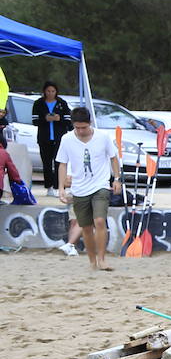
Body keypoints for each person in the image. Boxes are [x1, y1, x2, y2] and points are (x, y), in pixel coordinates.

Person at [56, 107, 122, 271]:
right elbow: (62, 164)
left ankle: (102, 259)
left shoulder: (103, 137)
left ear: (90, 123)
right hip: (79, 188)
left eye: (83, 127)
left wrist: (117, 179)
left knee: (99, 220)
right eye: (77, 127)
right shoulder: (67, 139)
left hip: (100, 185)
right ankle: (92, 260)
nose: (80, 131)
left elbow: (114, 158)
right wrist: (61, 188)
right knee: (86, 227)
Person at [32, 82, 73, 195]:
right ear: (44, 91)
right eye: (48, 91)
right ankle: (49, 186)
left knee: (59, 162)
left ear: (56, 92)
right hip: (44, 138)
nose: (50, 93)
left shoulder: (62, 103)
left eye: (53, 91)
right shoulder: (38, 103)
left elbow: (68, 121)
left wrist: (58, 119)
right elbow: (34, 121)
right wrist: (45, 119)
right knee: (46, 163)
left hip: (59, 138)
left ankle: (58, 186)